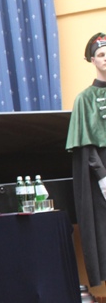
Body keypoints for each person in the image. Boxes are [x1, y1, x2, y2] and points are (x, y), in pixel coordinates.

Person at [66, 32, 106, 286]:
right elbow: (86, 145)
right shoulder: (85, 99)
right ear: (93, 60)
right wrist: (102, 178)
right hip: (102, 170)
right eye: (101, 55)